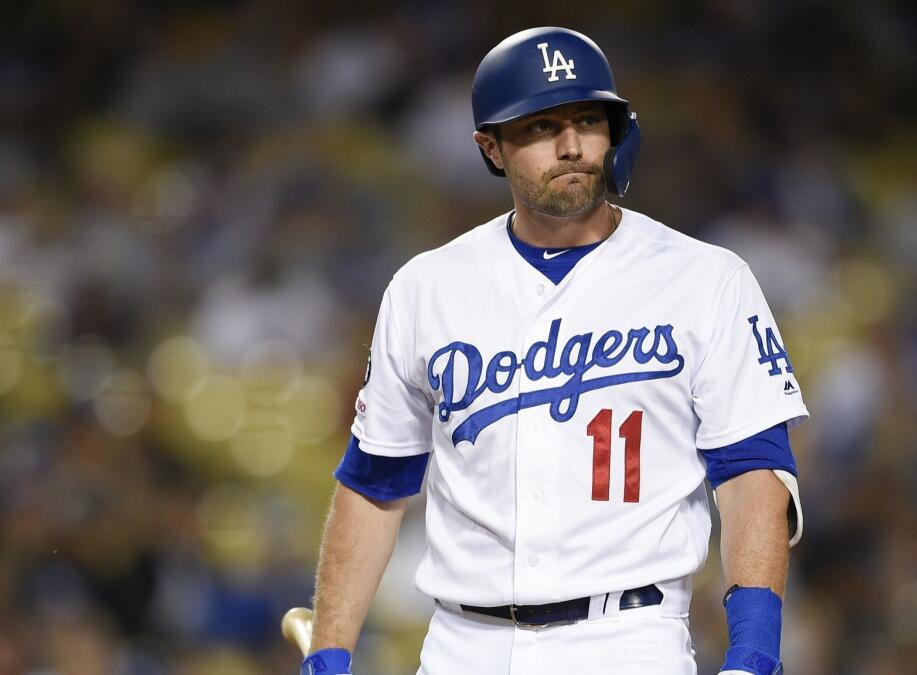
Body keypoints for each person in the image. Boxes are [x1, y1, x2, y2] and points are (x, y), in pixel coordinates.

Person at [301, 26, 808, 675]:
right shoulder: (426, 287)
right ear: (491, 147)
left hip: (628, 639)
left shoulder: (706, 278)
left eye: (587, 120)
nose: (571, 146)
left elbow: (751, 473)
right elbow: (374, 486)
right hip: (463, 643)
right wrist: (329, 649)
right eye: (541, 127)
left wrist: (755, 650)